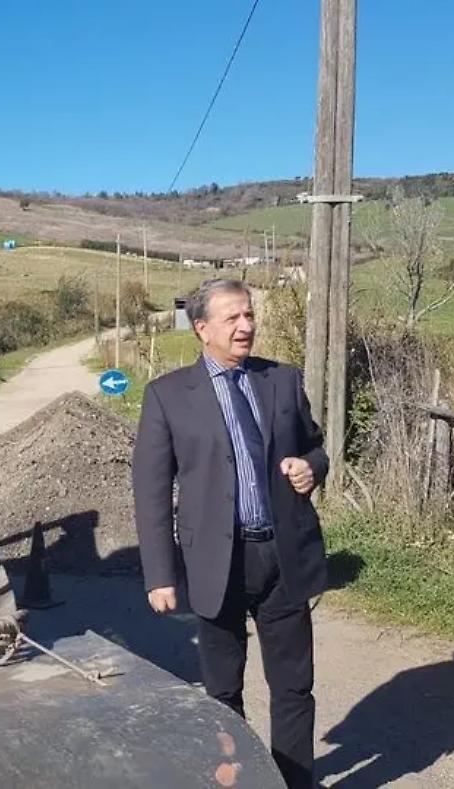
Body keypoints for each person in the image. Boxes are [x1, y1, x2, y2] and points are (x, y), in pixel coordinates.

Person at [132, 278, 328, 789]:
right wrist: (160, 574)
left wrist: (311, 468)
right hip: (216, 563)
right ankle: (239, 781)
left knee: (294, 688)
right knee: (222, 691)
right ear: (202, 329)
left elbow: (316, 448)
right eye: (232, 319)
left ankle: (293, 782)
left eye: (249, 315)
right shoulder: (168, 396)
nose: (246, 327)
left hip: (282, 557)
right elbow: (151, 492)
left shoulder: (282, 380)